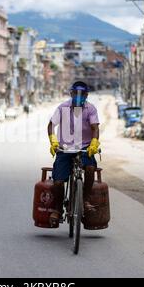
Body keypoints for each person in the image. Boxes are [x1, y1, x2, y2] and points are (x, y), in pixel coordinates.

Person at [47, 81, 101, 226]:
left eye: (82, 94)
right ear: (71, 94)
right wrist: (53, 141)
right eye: (75, 94)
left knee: (90, 169)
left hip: (84, 147)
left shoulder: (91, 109)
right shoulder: (62, 107)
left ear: (86, 95)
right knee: (58, 182)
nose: (78, 97)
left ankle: (85, 199)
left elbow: (95, 128)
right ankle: (58, 209)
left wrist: (94, 142)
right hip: (64, 148)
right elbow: (51, 125)